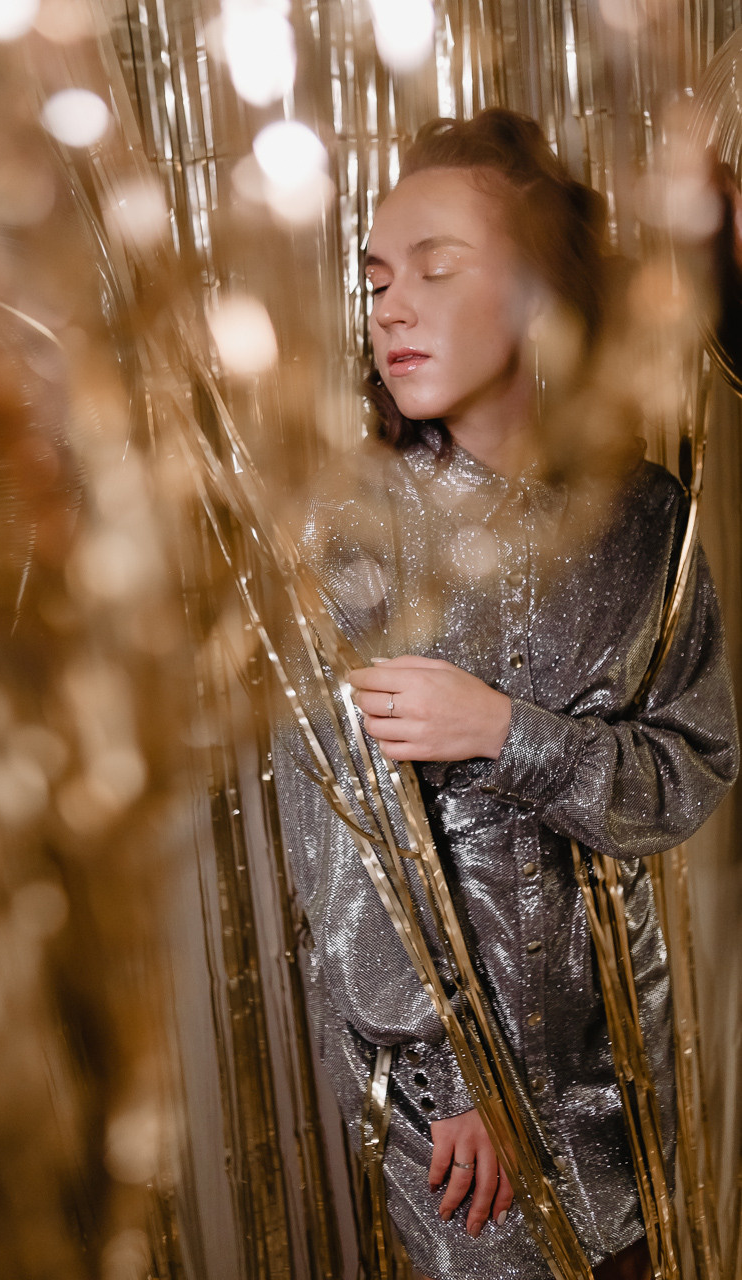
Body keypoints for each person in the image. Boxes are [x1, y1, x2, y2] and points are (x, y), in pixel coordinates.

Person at [273, 110, 739, 1280]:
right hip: (457, 1110)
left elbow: (688, 770)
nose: (390, 303)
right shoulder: (346, 530)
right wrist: (451, 1076)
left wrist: (506, 733)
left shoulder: (649, 522)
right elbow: (339, 855)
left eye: (436, 267)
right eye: (377, 276)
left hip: (623, 1067)